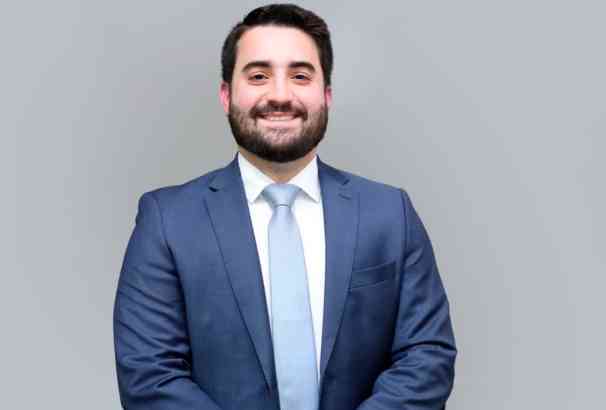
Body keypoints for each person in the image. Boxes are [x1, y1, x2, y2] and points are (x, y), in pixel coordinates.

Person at [113, 4, 457, 410]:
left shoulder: (390, 215)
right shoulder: (167, 222)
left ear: (326, 95)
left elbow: (427, 357)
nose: (279, 95)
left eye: (300, 76)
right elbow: (150, 378)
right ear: (226, 95)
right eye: (258, 76)